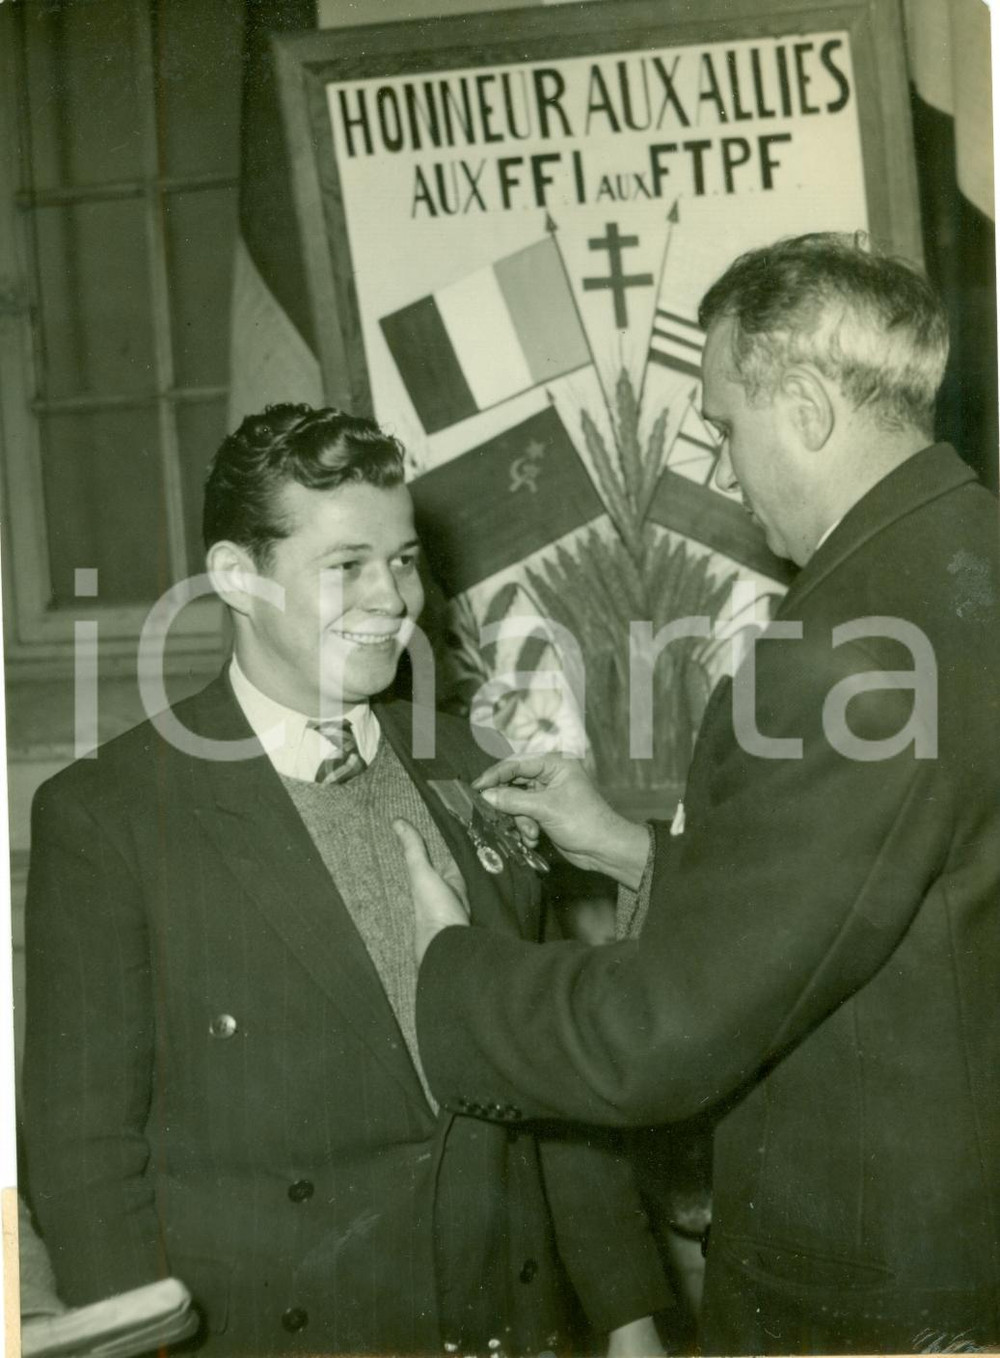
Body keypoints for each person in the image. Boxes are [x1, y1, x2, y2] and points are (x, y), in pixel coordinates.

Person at [399, 234, 1000, 1355]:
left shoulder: (840, 647)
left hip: (871, 1306)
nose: (721, 469)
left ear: (810, 406)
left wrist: (451, 969)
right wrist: (635, 851)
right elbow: (900, 902)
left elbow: (659, 1037)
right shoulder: (964, 560)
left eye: (724, 425)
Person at [21, 405, 673, 1357]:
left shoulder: (472, 765)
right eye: (346, 566)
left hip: (503, 1323)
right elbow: (86, 1156)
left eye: (404, 559)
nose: (394, 598)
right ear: (239, 576)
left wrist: (628, 1314)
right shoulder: (109, 815)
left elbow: (552, 1078)